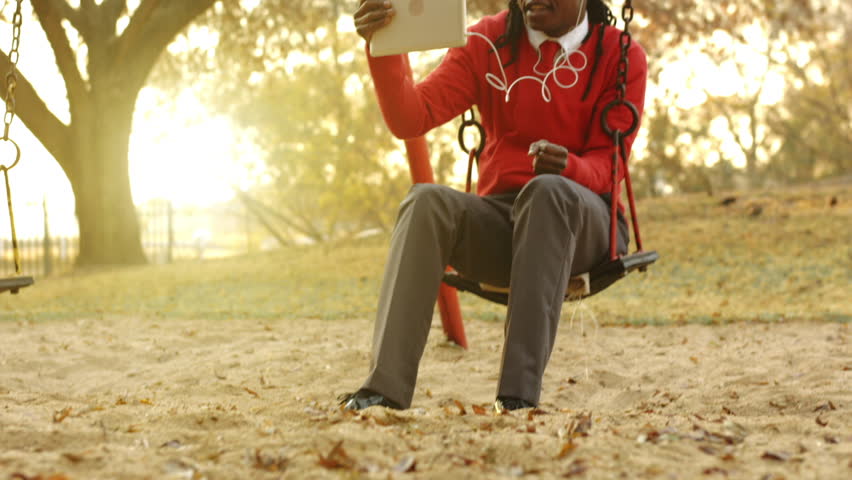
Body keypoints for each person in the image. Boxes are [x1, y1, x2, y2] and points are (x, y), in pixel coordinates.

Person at [341, 0, 647, 411]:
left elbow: (609, 165)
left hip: (584, 222)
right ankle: (384, 388)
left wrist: (568, 167)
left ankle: (517, 395)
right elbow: (410, 117)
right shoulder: (487, 40)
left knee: (547, 191)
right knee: (425, 201)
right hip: (504, 222)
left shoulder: (620, 53)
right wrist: (385, 46)